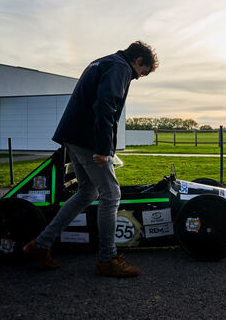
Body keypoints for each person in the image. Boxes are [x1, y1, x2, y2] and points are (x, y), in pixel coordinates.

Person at [23, 41, 158, 277]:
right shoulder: (121, 67)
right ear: (138, 61)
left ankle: (41, 245)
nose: (138, 77)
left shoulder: (103, 62)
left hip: (73, 137)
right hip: (88, 141)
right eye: (142, 73)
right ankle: (107, 259)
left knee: (87, 193)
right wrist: (103, 147)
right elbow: (106, 105)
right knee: (111, 193)